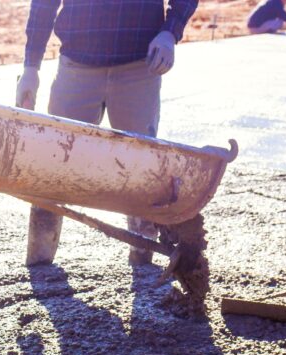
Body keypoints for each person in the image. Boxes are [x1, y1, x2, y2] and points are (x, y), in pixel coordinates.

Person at [15, 0, 197, 267]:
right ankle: (40, 261)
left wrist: (170, 31)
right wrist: (31, 68)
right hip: (76, 67)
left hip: (138, 68)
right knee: (52, 165)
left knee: (142, 170)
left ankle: (142, 258)